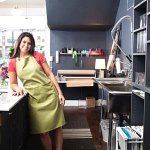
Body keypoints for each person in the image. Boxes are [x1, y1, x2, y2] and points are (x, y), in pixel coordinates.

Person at [8, 32, 66, 150]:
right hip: (34, 99)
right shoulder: (13, 62)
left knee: (58, 127)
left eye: (29, 43)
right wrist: (17, 88)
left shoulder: (37, 55)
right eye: (24, 42)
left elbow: (50, 74)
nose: (26, 45)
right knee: (43, 132)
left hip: (50, 94)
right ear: (19, 43)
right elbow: (13, 83)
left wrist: (60, 93)